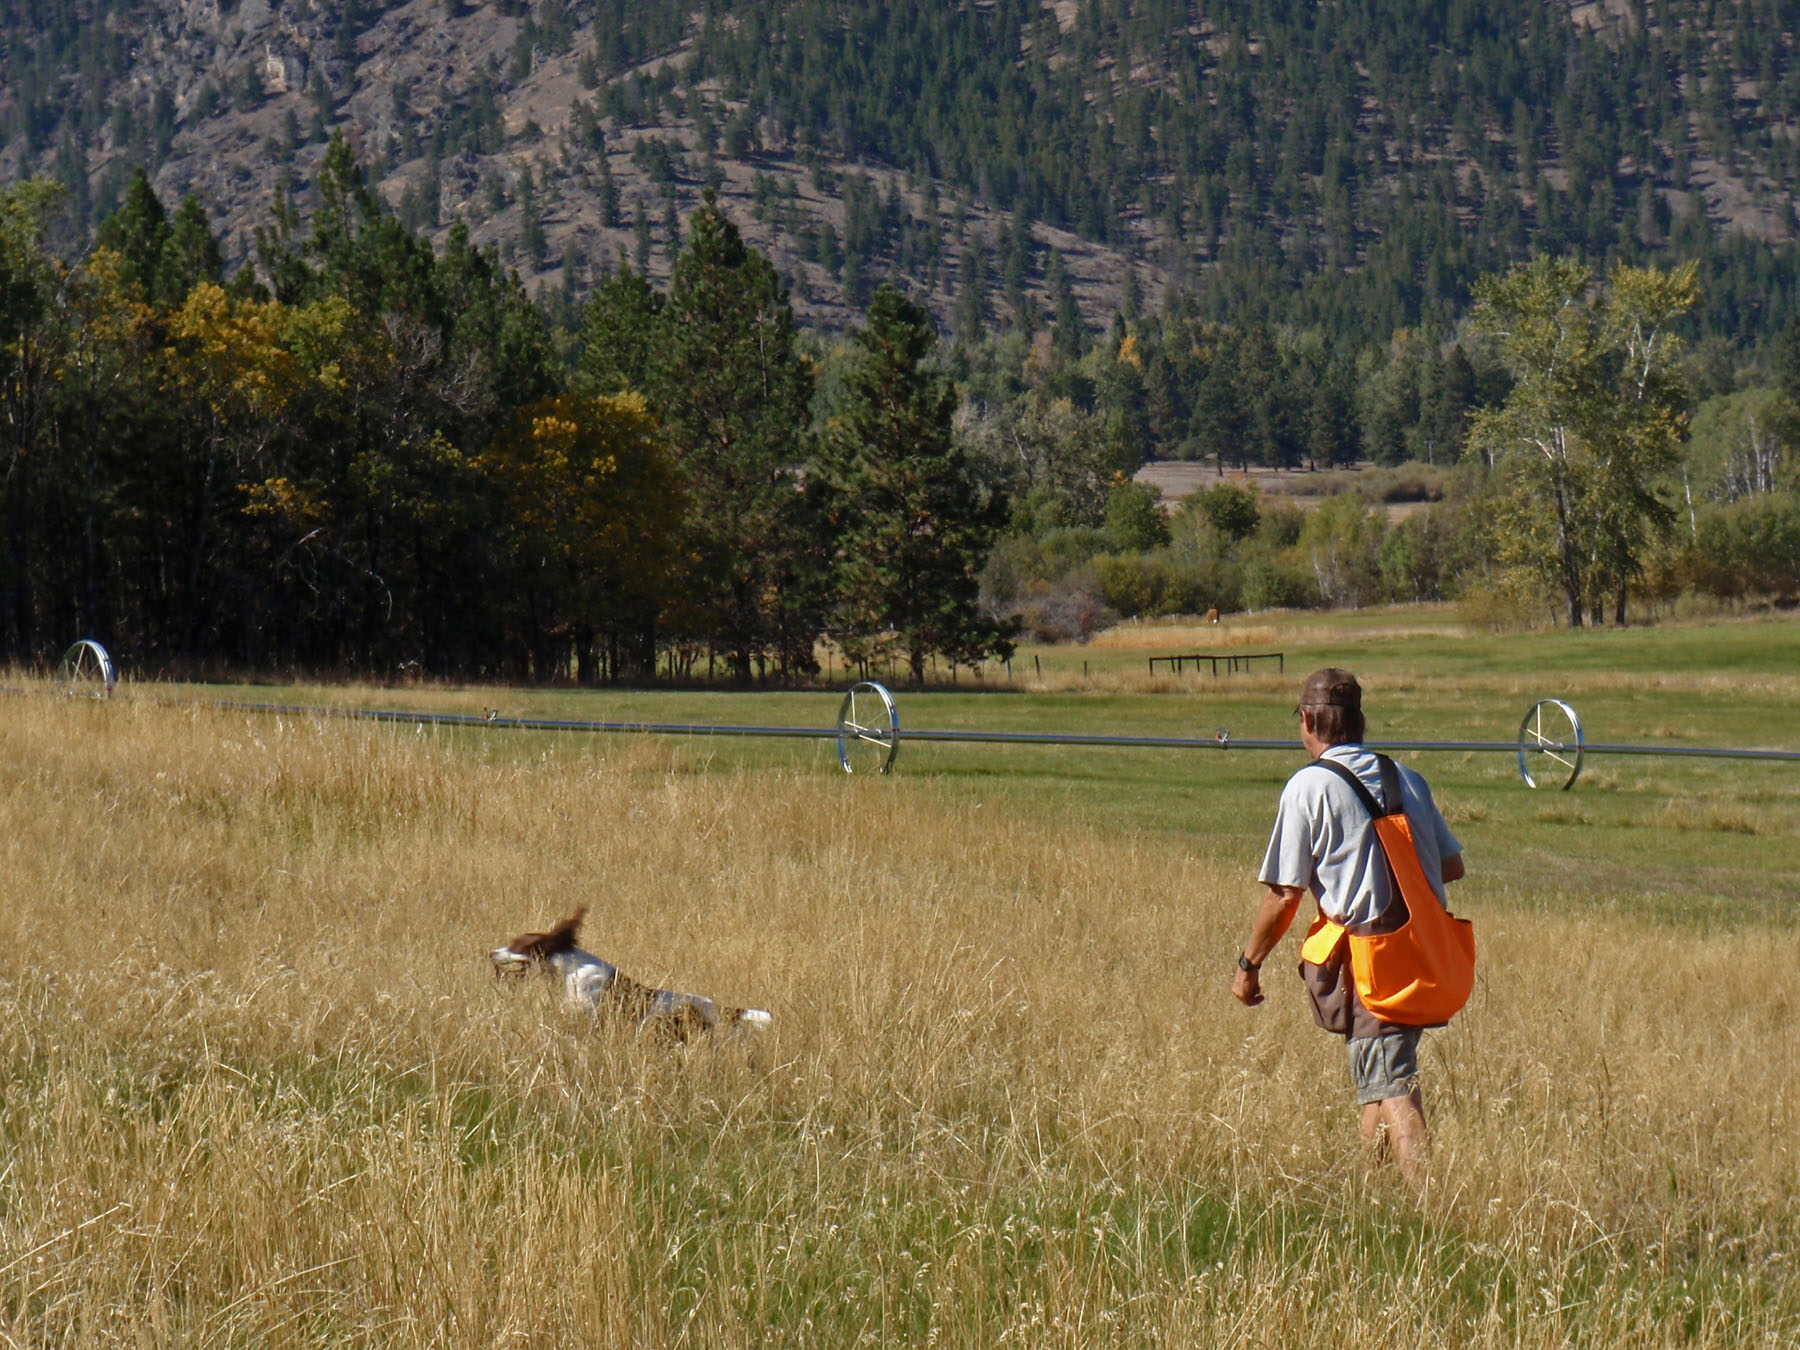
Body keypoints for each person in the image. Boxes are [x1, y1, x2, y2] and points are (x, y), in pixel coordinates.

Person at [1230, 668, 1466, 1189]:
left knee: (1394, 1085)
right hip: (1424, 953)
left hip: (1372, 961)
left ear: (1310, 720)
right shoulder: (1407, 778)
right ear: (1359, 722)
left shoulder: (1309, 785)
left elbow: (1283, 895)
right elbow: (1451, 867)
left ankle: (1433, 1213)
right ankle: (1372, 1200)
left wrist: (1248, 966)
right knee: (1377, 1076)